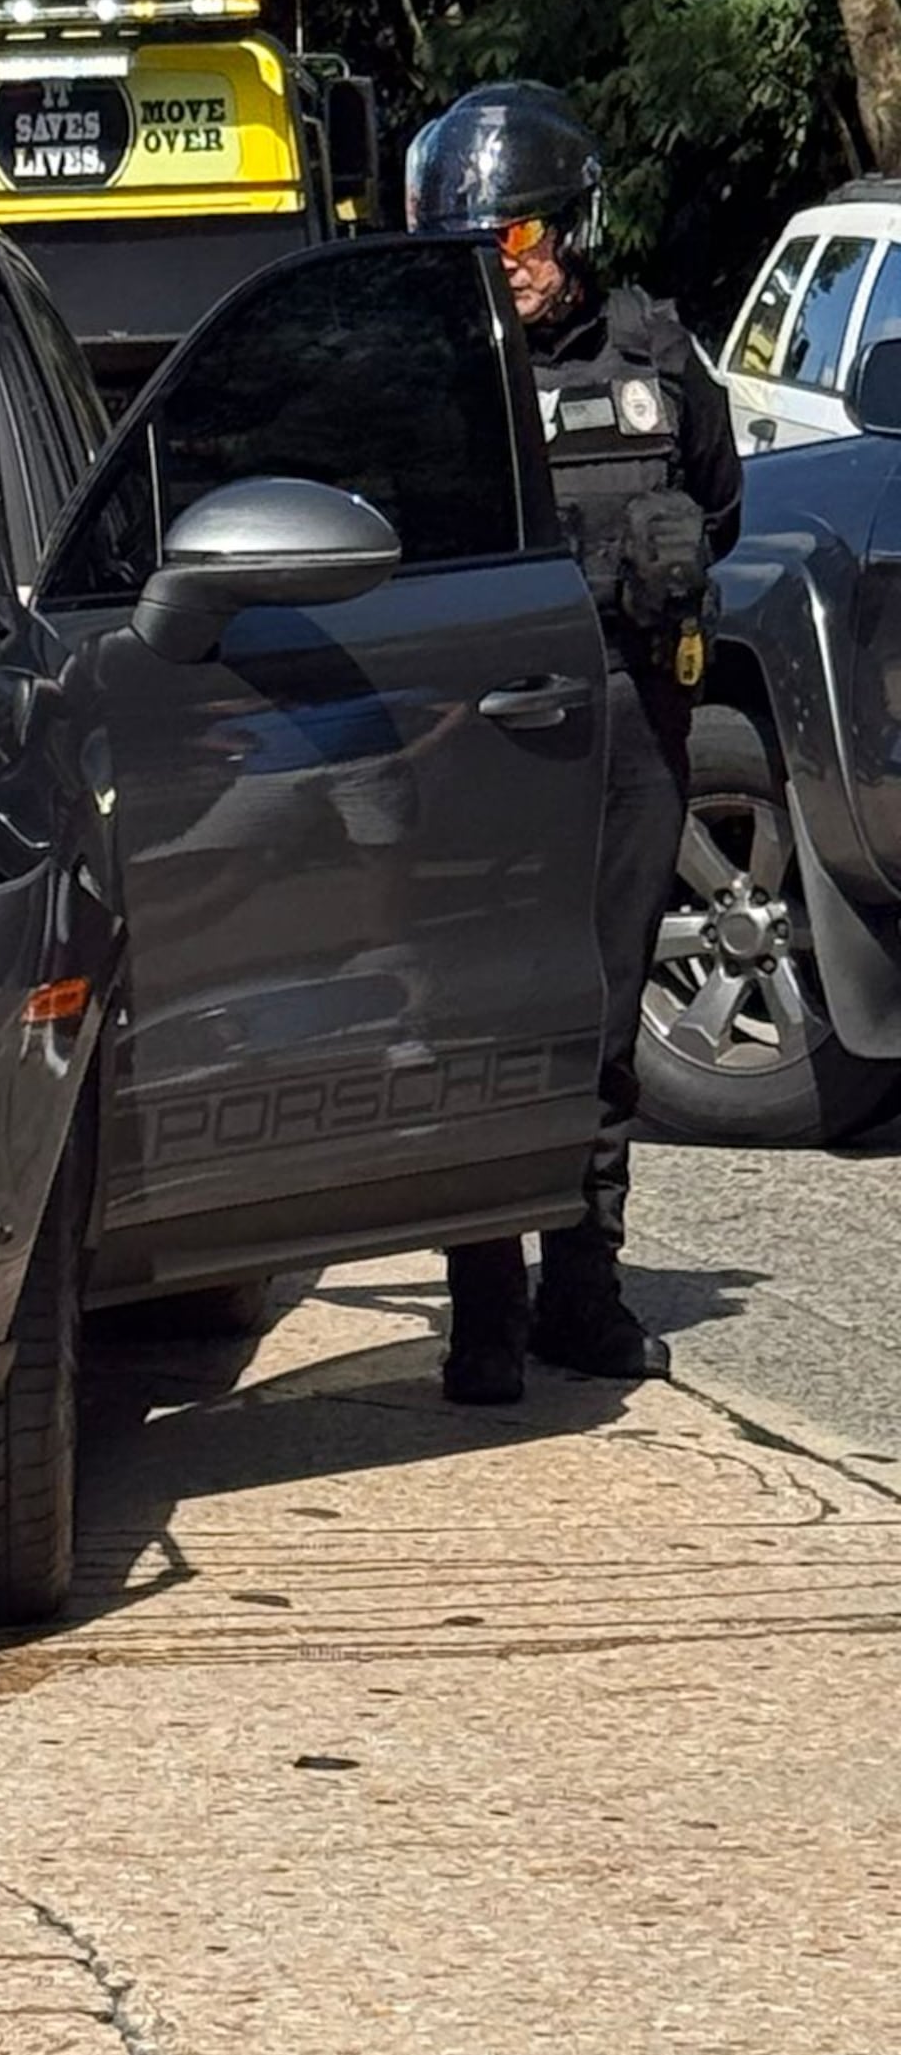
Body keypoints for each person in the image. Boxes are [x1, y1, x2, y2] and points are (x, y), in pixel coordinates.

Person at [404, 82, 743, 1404]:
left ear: (572, 233)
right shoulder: (426, 382)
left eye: (521, 244)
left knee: (602, 1009)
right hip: (477, 733)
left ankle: (580, 1290)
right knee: (488, 1014)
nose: (507, 273)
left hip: (626, 718)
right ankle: (485, 1310)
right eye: (478, 247)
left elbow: (720, 501)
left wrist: (675, 557)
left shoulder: (658, 358)